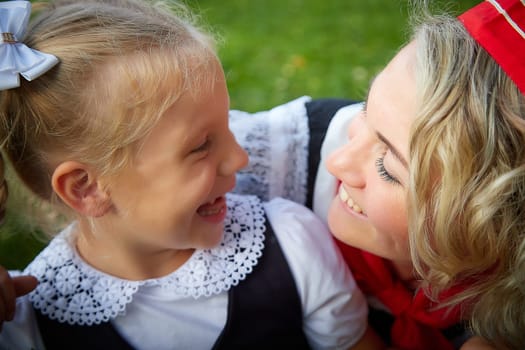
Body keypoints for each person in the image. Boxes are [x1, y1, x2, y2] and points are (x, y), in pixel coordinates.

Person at [0, 1, 385, 349]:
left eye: (228, 127)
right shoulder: (26, 326)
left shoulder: (291, 244)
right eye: (201, 145)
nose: (239, 157)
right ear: (87, 188)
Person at [230, 1, 525, 349]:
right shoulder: (267, 168)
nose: (339, 162)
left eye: (387, 167)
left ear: (489, 219)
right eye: (365, 109)